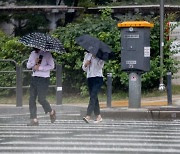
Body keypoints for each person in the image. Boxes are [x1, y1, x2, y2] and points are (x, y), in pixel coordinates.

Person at [26, 48, 56, 126]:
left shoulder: (47, 54)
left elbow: (52, 66)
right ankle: (34, 119)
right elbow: (28, 65)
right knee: (31, 99)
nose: (34, 49)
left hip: (44, 78)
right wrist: (34, 62)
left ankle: (51, 111)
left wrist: (40, 68)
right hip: (34, 77)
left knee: (41, 99)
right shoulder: (32, 53)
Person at [82, 51, 104, 123]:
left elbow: (100, 66)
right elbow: (84, 68)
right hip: (90, 77)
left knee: (93, 96)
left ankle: (88, 116)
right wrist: (86, 64)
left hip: (98, 77)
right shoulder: (87, 55)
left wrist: (96, 58)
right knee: (94, 97)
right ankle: (98, 116)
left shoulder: (100, 56)